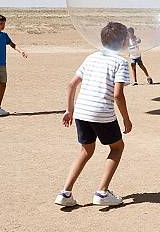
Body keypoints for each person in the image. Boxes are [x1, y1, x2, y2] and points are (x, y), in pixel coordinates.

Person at [55, 22, 132, 208]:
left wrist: (69, 110)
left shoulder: (91, 58)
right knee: (117, 148)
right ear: (122, 41)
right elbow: (117, 95)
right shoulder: (120, 62)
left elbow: (71, 84)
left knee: (86, 150)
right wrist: (126, 119)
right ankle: (102, 192)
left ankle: (65, 192)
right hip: (101, 113)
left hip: (82, 111)